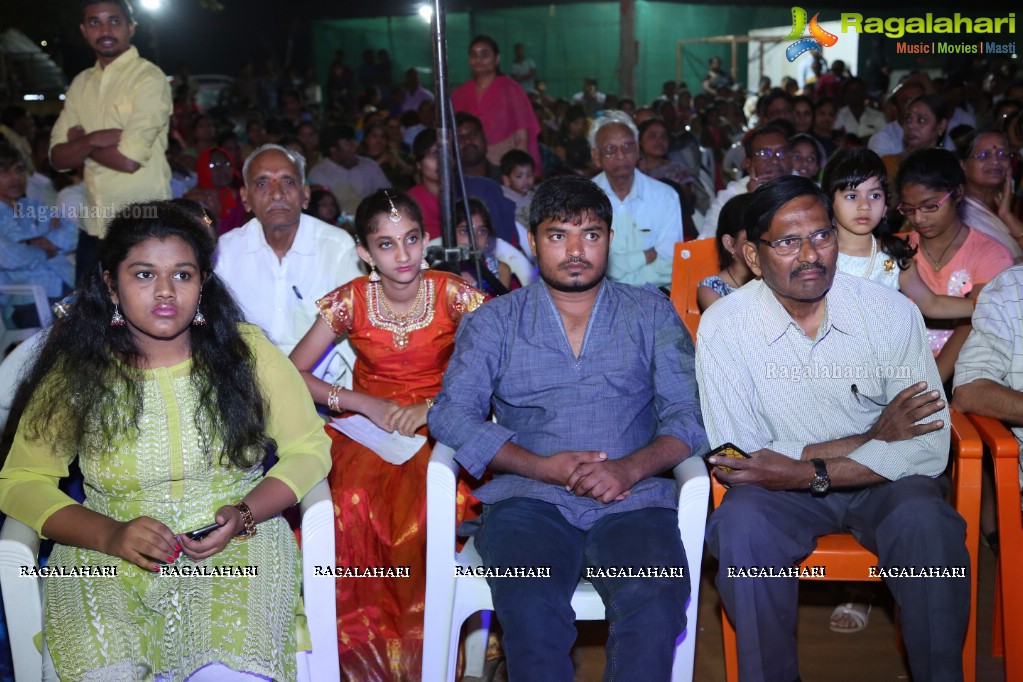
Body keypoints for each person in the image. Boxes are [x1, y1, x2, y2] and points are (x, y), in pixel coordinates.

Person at [0, 200, 331, 681]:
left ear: (202, 283)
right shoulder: (78, 369)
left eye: (182, 275)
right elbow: (22, 480)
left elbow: (309, 448)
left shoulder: (247, 352)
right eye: (142, 275)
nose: (164, 292)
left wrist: (245, 513)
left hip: (235, 549)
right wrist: (110, 535)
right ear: (112, 284)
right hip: (103, 555)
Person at [429, 174, 709, 679]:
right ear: (533, 242)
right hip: (527, 500)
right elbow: (449, 414)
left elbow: (688, 415)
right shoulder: (496, 321)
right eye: (559, 235)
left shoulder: (649, 312)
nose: (576, 250)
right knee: (530, 596)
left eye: (591, 234)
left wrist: (628, 469)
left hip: (633, 500)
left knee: (657, 591)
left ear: (610, 241)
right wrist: (541, 467)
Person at [696, 175, 970, 682]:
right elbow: (740, 457)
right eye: (786, 242)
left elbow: (928, 447)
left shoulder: (890, 314)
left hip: (882, 485)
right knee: (741, 528)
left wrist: (804, 469)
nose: (810, 255)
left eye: (821, 236)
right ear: (754, 257)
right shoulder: (725, 327)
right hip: (789, 493)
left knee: (928, 526)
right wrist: (873, 437)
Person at [288, 188, 484, 679]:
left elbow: (499, 366)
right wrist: (361, 401)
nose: (403, 255)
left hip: (442, 426)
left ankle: (429, 658)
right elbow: (291, 373)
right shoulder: (351, 301)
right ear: (364, 252)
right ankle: (349, 658)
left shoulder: (453, 293)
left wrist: (433, 407)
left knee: (429, 507)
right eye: (387, 244)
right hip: (365, 430)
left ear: (425, 240)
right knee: (345, 503)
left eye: (412, 240)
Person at [215, 144, 363, 383]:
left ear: (305, 195)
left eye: (288, 182)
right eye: (262, 183)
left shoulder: (336, 247)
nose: (276, 193)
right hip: (248, 386)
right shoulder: (226, 252)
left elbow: (356, 330)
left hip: (322, 389)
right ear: (245, 198)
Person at [49, 0, 172, 284]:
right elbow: (57, 158)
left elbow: (128, 160)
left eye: (114, 21)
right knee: (91, 323)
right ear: (84, 30)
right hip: (93, 227)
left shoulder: (149, 79)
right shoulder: (81, 84)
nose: (105, 29)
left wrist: (81, 145)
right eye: (95, 22)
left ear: (131, 28)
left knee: (141, 321)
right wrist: (95, 139)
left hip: (144, 226)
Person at [897, 148, 1013, 380]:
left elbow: (971, 324)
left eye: (930, 206)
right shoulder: (899, 250)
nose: (918, 218)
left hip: (964, 377)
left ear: (958, 193)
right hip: (901, 373)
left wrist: (932, 384)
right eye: (909, 209)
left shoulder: (990, 254)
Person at [589, 111, 684, 288]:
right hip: (597, 302)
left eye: (627, 147)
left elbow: (668, 264)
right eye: (610, 149)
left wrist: (617, 285)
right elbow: (589, 266)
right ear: (596, 157)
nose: (620, 155)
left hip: (653, 297)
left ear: (638, 150)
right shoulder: (584, 199)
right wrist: (644, 256)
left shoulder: (665, 196)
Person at [0, 141, 77, 326]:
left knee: (111, 309)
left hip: (66, 287)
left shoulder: (33, 207)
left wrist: (40, 242)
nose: (15, 177)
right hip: (27, 301)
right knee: (85, 321)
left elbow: (72, 232)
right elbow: (9, 257)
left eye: (19, 170)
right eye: (4, 172)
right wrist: (46, 251)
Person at [452, 35, 542, 171]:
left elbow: (521, 138)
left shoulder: (512, 89)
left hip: (504, 165)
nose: (478, 60)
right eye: (473, 55)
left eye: (484, 55)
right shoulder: (459, 93)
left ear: (497, 59)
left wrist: (516, 174)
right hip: (469, 166)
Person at [700, 124, 793, 238]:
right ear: (747, 163)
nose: (774, 160)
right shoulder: (730, 197)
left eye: (781, 152)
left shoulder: (807, 190)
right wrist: (751, 201)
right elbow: (707, 241)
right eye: (764, 154)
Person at [956, 128, 1023, 260]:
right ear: (963, 165)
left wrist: (1007, 216)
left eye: (1002, 154)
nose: (995, 162)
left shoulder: (1016, 204)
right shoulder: (957, 213)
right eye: (984, 155)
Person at [308, 125, 391, 215]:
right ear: (333, 150)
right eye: (348, 143)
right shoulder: (319, 174)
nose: (355, 145)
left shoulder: (369, 165)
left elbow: (388, 194)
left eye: (354, 141)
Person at [697, 192, 755, 311]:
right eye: (752, 238)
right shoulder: (711, 289)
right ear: (730, 244)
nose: (761, 244)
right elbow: (733, 327)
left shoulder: (775, 278)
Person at [881, 94, 951, 183]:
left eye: (921, 120)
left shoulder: (950, 168)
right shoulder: (890, 164)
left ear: (941, 126)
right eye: (908, 119)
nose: (910, 125)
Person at [453, 197, 513, 293]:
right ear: (451, 236)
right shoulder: (443, 273)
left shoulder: (501, 271)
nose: (474, 239)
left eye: (481, 232)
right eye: (464, 231)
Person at [184, 146, 246, 235]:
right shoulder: (195, 199)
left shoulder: (241, 196)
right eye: (213, 165)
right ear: (203, 168)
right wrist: (213, 218)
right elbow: (208, 228)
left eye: (226, 163)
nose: (221, 168)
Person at [455, 112, 502, 182]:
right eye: (459, 138)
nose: (467, 141)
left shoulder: (508, 179)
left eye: (473, 134)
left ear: (484, 137)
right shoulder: (446, 186)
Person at [499, 148, 535, 227]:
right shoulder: (502, 199)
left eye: (529, 175)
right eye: (519, 176)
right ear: (506, 180)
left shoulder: (534, 196)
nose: (526, 180)